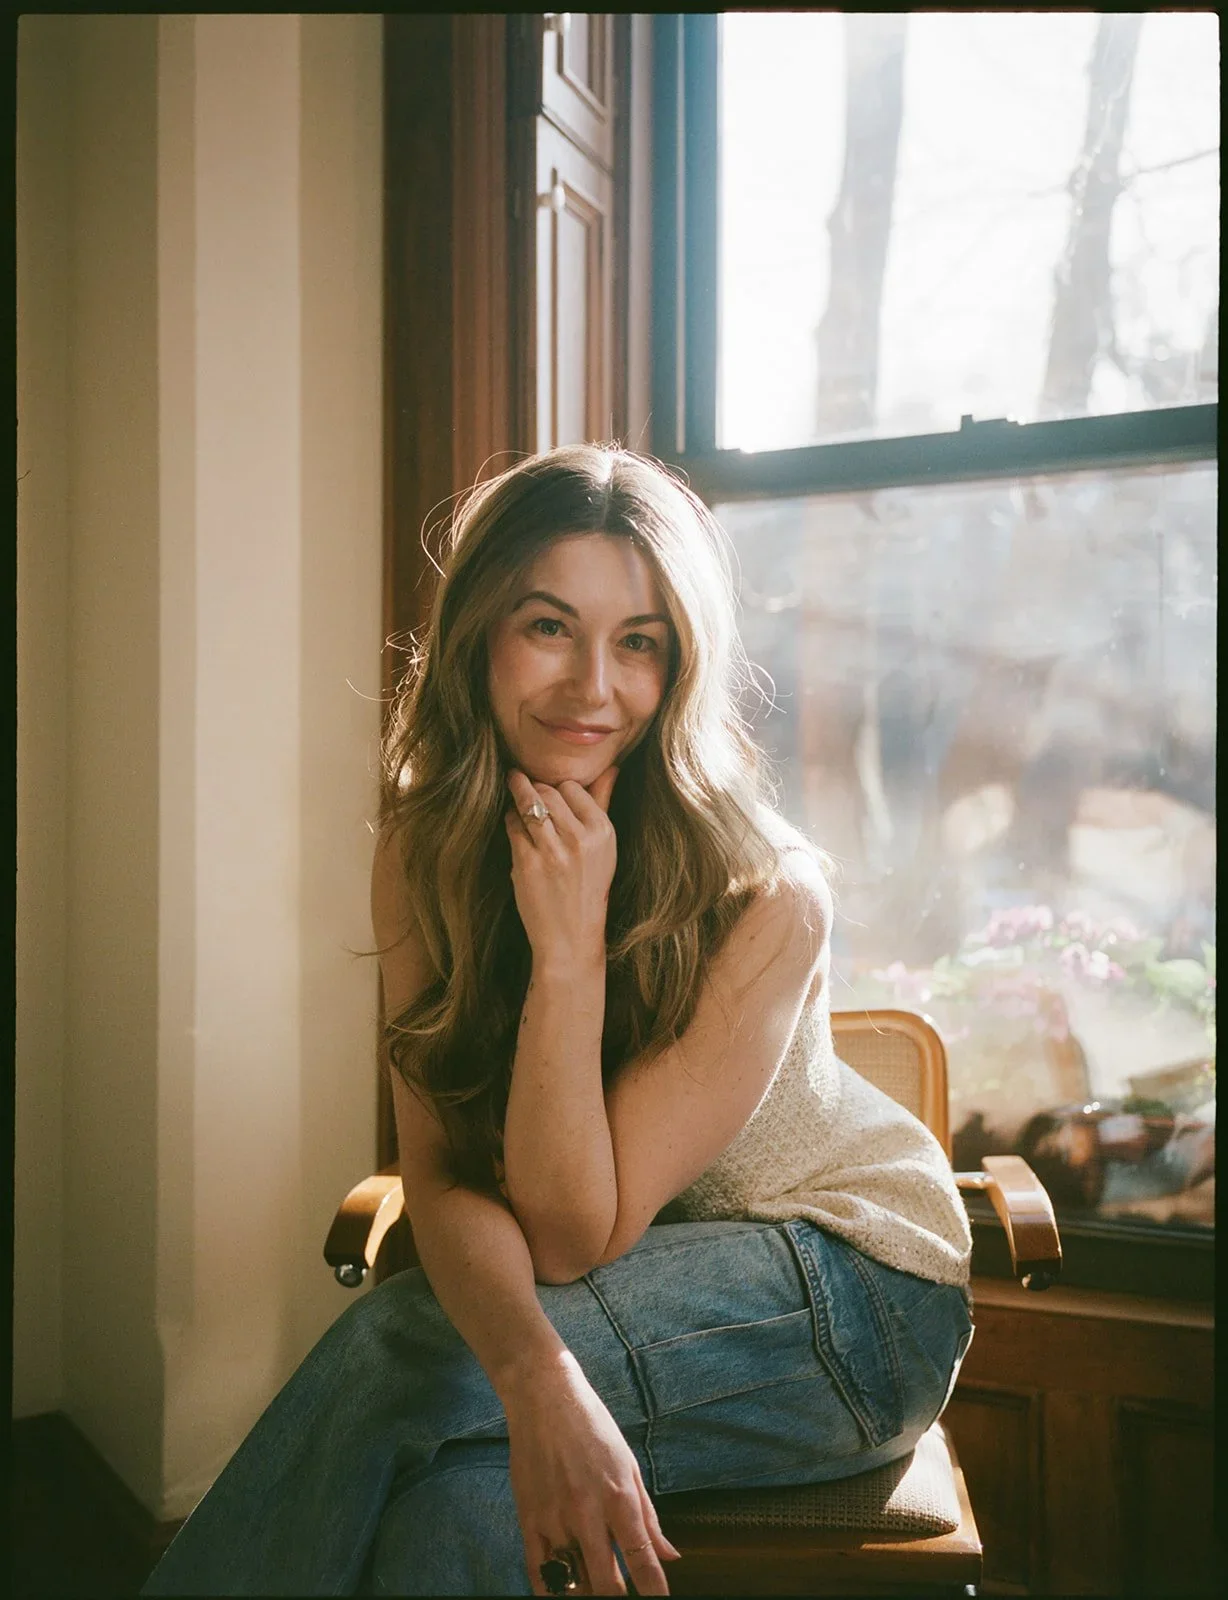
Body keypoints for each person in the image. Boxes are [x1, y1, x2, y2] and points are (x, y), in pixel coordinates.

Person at [143, 445, 974, 1598]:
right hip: (619, 1298)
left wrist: (568, 947)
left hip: (848, 1299)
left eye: (637, 642)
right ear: (480, 632)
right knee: (457, 1505)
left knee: (398, 1348)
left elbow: (573, 1232)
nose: (594, 685)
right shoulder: (425, 852)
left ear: (677, 665)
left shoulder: (768, 891)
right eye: (548, 626)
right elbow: (442, 1178)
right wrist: (540, 1376)